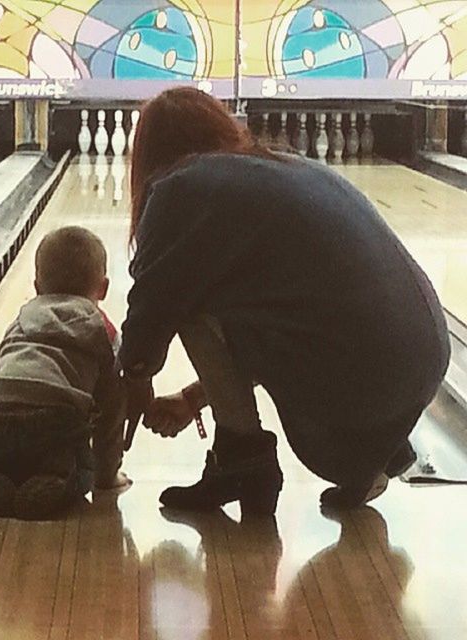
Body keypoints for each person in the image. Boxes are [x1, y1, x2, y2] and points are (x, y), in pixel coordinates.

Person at [119, 87, 450, 512]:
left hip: (360, 373)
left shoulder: (178, 188)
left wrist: (134, 377)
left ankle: (242, 458)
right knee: (255, 297)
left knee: (188, 298)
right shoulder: (294, 165)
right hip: (424, 359)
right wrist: (192, 398)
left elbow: (154, 303)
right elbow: (287, 316)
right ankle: (381, 454)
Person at [0, 226, 130, 520]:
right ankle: (60, 476)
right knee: (77, 460)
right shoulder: (103, 329)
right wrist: (106, 475)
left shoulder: (21, 319)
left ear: (37, 286)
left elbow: (6, 367)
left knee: (6, 447)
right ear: (103, 288)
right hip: (55, 422)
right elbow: (112, 411)